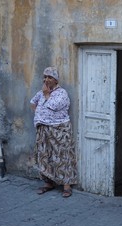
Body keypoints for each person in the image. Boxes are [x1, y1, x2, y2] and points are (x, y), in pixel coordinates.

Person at [30, 66, 77, 198]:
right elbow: (32, 102)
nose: (46, 79)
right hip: (43, 129)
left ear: (56, 80)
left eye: (50, 77)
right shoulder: (41, 92)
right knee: (44, 156)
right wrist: (40, 114)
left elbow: (54, 105)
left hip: (59, 130)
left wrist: (46, 94)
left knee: (62, 156)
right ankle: (48, 183)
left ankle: (66, 186)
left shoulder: (62, 93)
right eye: (45, 77)